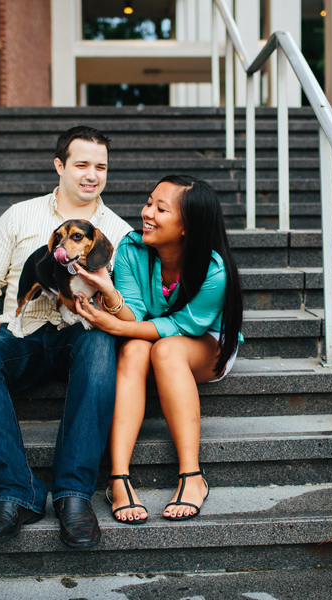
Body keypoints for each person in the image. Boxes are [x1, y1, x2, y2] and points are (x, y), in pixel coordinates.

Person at [0, 126, 133, 548]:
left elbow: (128, 310)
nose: (92, 175)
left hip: (80, 337)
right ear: (60, 165)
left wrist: (106, 296)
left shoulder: (119, 234)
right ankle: (18, 494)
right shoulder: (20, 215)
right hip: (24, 334)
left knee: (101, 343)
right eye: (82, 164)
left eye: (101, 167)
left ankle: (74, 495)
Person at [74, 174, 243, 524]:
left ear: (187, 226)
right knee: (136, 348)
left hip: (206, 345)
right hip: (151, 340)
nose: (147, 212)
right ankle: (118, 478)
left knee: (165, 349)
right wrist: (109, 291)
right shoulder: (134, 249)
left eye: (160, 208)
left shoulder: (214, 269)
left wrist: (117, 326)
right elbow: (134, 311)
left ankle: (192, 476)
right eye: (149, 202)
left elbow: (186, 326)